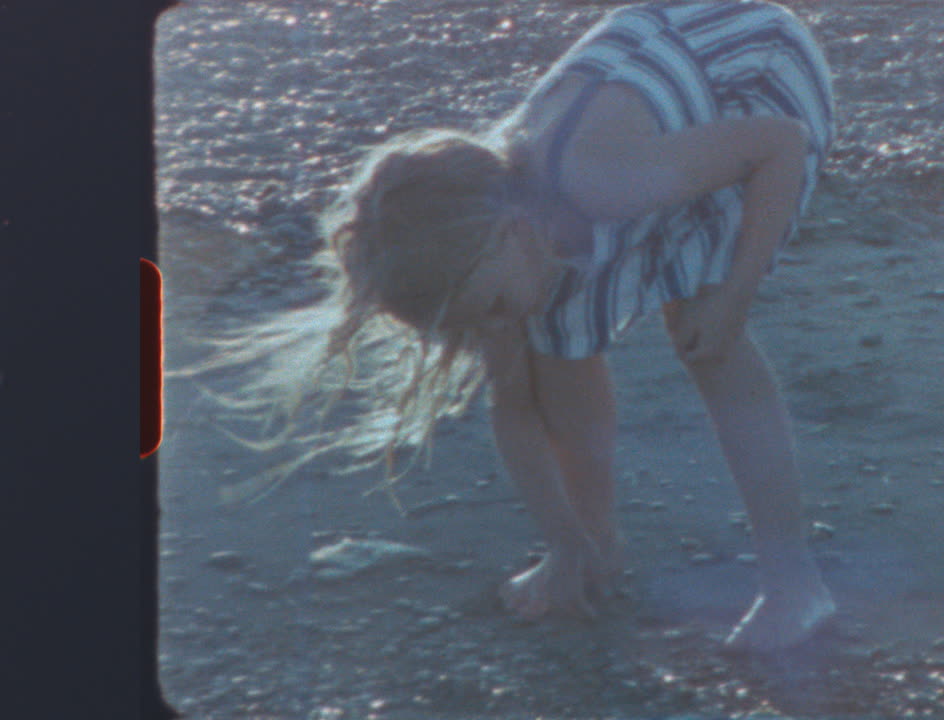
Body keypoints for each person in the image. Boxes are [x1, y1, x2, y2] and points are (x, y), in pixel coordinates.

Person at [316, 0, 836, 652]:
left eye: (495, 306)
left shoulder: (602, 182)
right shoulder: (496, 242)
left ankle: (795, 582)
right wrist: (563, 542)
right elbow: (516, 404)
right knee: (553, 337)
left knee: (703, 333)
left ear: (514, 231)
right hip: (653, 110)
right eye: (484, 319)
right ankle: (594, 547)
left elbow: (778, 143)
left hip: (758, 69)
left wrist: (734, 294)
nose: (500, 325)